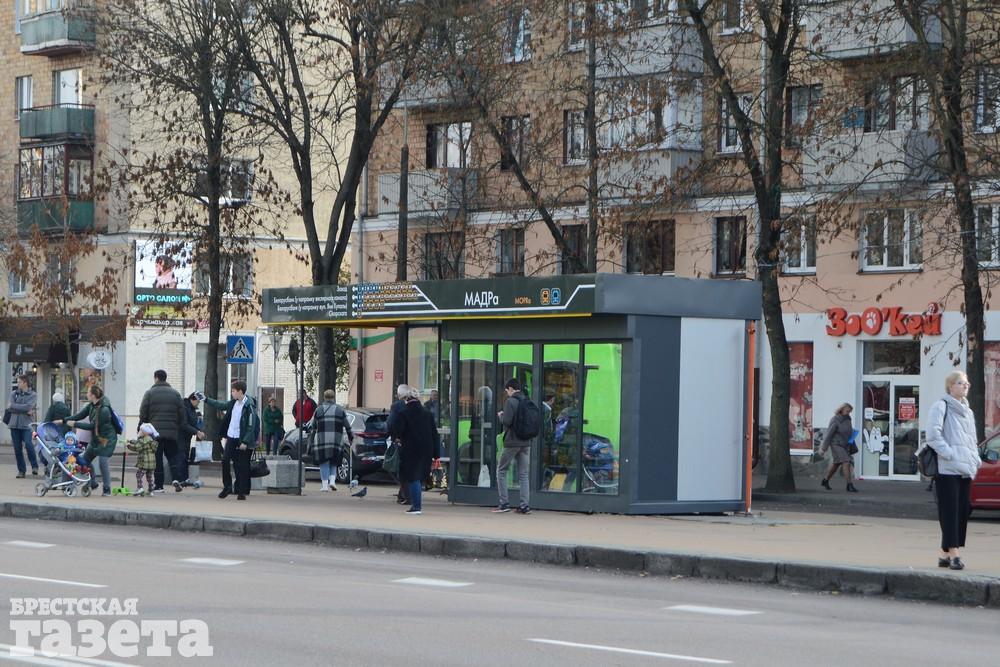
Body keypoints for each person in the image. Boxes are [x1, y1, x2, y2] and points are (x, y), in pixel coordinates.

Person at [925, 371, 982, 570]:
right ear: (950, 386)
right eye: (960, 383)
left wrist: (975, 459)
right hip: (947, 469)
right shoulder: (941, 406)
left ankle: (944, 554)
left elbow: (972, 440)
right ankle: (955, 554)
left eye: (967, 383)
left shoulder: (968, 411)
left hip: (965, 468)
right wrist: (949, 454)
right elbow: (932, 435)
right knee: (950, 512)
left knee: (962, 511)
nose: (965, 386)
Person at [57, 385, 118, 496]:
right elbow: (79, 415)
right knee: (85, 460)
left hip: (106, 439)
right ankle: (92, 483)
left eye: (88, 392)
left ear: (93, 395)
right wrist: (64, 420)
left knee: (102, 462)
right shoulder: (91, 406)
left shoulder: (104, 410)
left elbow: (92, 426)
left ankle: (107, 489)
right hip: (96, 438)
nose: (86, 394)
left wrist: (75, 424)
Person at [204, 380, 258, 500]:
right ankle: (227, 486)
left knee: (241, 465)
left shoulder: (249, 406)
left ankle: (241, 491)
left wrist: (245, 441)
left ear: (240, 391)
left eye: (233, 391)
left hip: (241, 439)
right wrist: (206, 399)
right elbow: (221, 405)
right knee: (225, 460)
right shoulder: (233, 403)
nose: (232, 393)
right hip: (231, 436)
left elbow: (251, 425)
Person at [388, 386, 437, 515]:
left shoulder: (404, 413)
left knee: (413, 477)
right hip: (426, 449)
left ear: (407, 399)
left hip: (410, 449)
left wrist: (396, 437)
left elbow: (396, 429)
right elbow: (434, 433)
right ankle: (416, 504)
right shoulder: (427, 413)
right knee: (419, 477)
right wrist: (436, 453)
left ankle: (416, 506)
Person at [139, 370, 186, 493]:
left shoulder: (149, 393)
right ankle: (176, 478)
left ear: (156, 378)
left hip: (155, 432)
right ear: (165, 378)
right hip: (172, 432)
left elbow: (143, 411)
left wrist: (144, 424)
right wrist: (178, 426)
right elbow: (182, 413)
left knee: (157, 458)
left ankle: (159, 486)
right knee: (172, 456)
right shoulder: (175, 394)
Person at [494, 378, 533, 514]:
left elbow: (507, 421)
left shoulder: (510, 402)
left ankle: (504, 503)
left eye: (507, 391)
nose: (507, 393)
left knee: (501, 471)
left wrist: (501, 416)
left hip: (512, 442)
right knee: (523, 474)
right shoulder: (527, 400)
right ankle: (524, 506)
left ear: (510, 389)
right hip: (526, 442)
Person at [307, 389, 353, 492]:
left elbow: (313, 426)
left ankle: (324, 486)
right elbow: (347, 426)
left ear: (324, 397)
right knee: (334, 461)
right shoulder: (340, 410)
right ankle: (332, 481)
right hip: (336, 439)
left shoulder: (318, 410)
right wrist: (351, 437)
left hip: (322, 440)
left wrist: (311, 438)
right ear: (333, 397)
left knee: (323, 461)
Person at [819, 403, 858, 493]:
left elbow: (849, 432)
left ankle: (825, 480)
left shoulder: (848, 419)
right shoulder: (835, 420)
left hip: (845, 445)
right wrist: (823, 448)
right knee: (846, 461)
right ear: (842, 410)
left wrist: (852, 443)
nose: (849, 413)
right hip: (836, 444)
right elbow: (829, 435)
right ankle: (849, 485)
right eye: (847, 411)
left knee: (836, 464)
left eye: (850, 412)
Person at [7, 374, 39, 478]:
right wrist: (24, 410)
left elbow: (28, 407)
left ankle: (34, 466)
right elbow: (9, 408)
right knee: (17, 449)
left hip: (26, 425)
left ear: (25, 383)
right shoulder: (13, 393)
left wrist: (14, 406)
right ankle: (21, 471)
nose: (18, 384)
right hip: (14, 425)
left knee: (29, 445)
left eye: (19, 382)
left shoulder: (33, 395)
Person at [387, 385, 410, 504]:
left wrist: (394, 436)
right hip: (414, 442)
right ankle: (402, 494)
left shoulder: (396, 406)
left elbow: (391, 423)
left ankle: (406, 494)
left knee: (396, 468)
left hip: (401, 441)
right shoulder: (417, 406)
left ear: (399, 395)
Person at [178, 393, 207, 485]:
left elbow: (193, 422)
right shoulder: (184, 407)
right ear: (192, 399)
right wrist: (197, 432)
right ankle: (181, 479)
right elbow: (184, 424)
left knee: (185, 456)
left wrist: (199, 431)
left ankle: (185, 479)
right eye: (198, 401)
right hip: (180, 435)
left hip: (187, 436)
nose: (198, 403)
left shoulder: (192, 409)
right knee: (182, 457)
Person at [128, 423, 160, 497]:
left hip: (144, 462)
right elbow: (138, 442)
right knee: (149, 477)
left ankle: (140, 488)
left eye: (141, 430)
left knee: (139, 475)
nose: (140, 432)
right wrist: (131, 441)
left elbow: (137, 447)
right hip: (151, 463)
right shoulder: (151, 439)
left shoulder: (144, 440)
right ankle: (151, 490)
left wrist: (128, 445)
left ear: (145, 432)